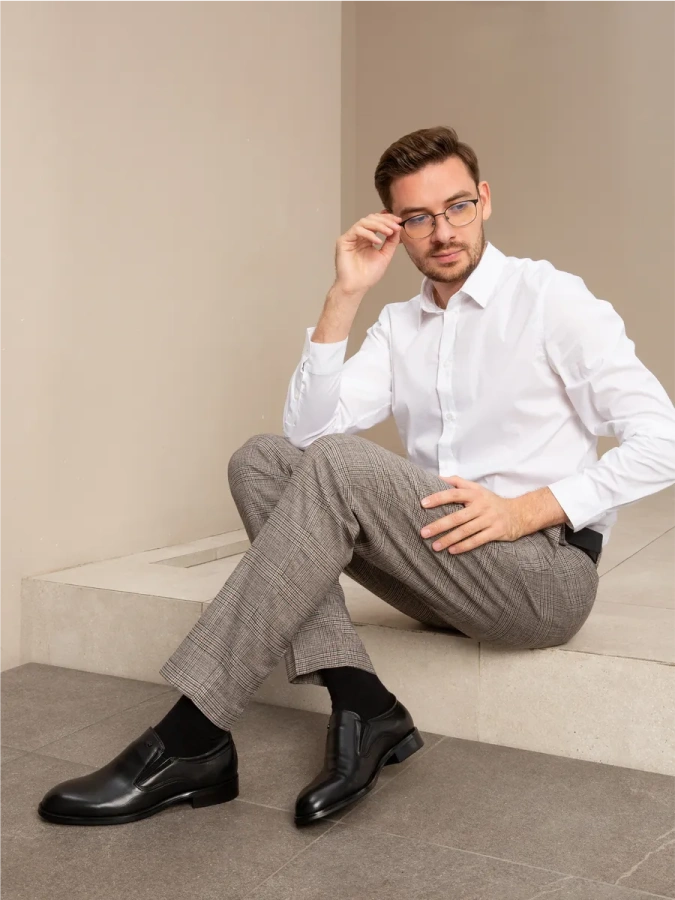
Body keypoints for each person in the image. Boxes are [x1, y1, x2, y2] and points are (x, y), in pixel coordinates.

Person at [38, 126, 675, 828]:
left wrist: (526, 509)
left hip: (542, 578)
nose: (443, 232)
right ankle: (361, 701)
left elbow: (664, 440)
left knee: (339, 462)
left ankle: (191, 736)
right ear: (395, 228)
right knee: (261, 460)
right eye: (419, 218)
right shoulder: (400, 325)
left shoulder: (549, 298)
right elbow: (305, 437)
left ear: (484, 200)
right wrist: (343, 296)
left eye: (457, 207)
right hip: (442, 566)